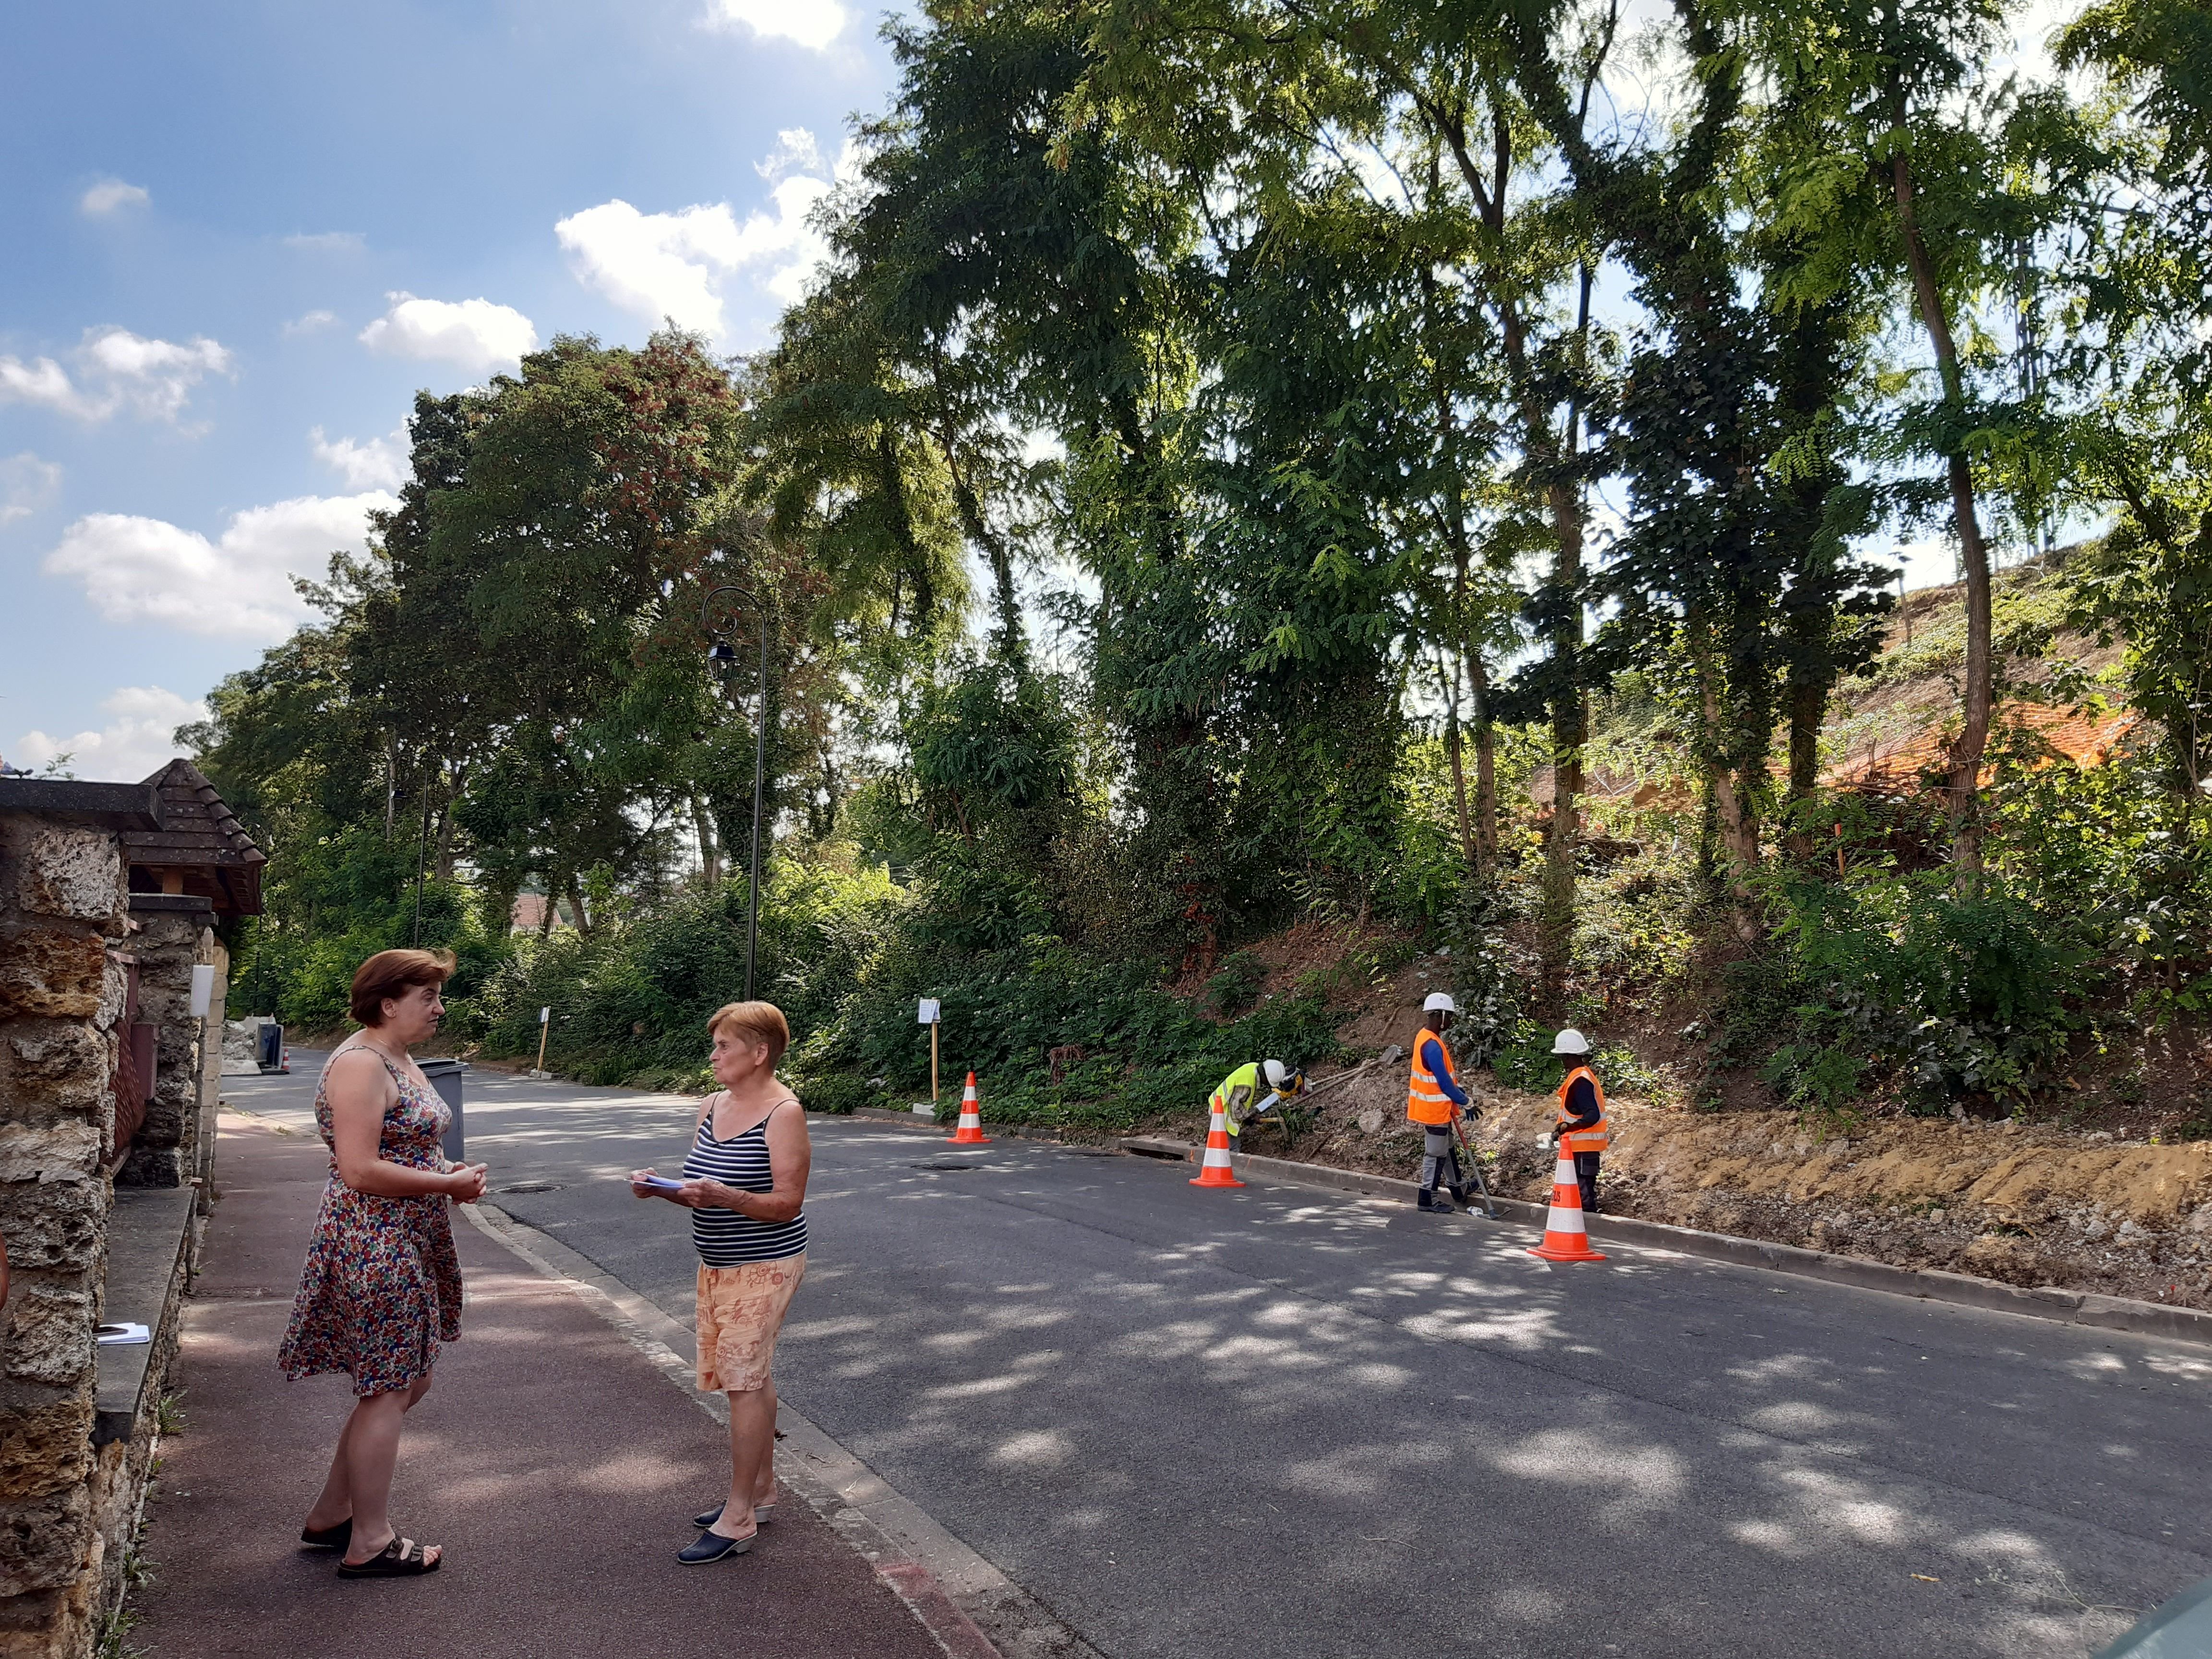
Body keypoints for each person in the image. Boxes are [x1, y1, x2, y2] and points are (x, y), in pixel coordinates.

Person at [279, 949, 488, 1578]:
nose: (439, 1008)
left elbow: (409, 1145)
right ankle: (369, 1539)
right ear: (388, 1001)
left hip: (406, 1234)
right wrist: (446, 1186)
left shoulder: (397, 1057)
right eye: (428, 997)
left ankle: (331, 1515)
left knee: (406, 1381)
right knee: (390, 1387)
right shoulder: (359, 1065)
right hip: (373, 1238)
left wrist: (445, 1171)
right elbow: (360, 1168)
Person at [631, 1001, 812, 1565]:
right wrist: (660, 1188)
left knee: (740, 1377)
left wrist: (728, 1198)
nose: (713, 1057)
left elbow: (787, 1204)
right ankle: (762, 1490)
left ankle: (739, 1517)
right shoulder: (712, 1105)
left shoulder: (784, 1114)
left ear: (759, 1054)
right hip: (717, 1264)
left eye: (724, 1047)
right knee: (750, 1376)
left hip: (768, 1265)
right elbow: (698, 1186)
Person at [1407, 991, 1478, 1213]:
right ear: (1442, 1015)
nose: (1452, 1021)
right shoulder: (1432, 1046)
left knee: (1446, 1149)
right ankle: (1428, 1197)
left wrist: (1459, 1093)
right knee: (1436, 1153)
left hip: (1438, 1108)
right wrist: (1466, 1102)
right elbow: (1445, 1085)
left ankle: (1458, 1187)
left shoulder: (1426, 1037)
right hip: (1434, 1110)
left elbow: (1445, 1081)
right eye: (1451, 1017)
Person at [1551, 1028, 1609, 1214]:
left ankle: (1588, 1221)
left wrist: (1569, 1128)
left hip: (1583, 1147)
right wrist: (1562, 1129)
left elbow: (1592, 1115)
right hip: (1581, 1148)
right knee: (1581, 1189)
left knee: (1583, 1192)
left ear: (1568, 1057)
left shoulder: (1580, 1081)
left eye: (1562, 1057)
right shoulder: (1581, 1077)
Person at [1209, 1058, 1303, 1142]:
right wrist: (1249, 1118)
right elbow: (1234, 1110)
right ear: (1266, 1078)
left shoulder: (1253, 1068)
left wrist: (1250, 1116)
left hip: (1220, 1105)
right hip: (1221, 1112)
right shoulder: (1246, 1085)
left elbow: (1239, 1101)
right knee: (1232, 1148)